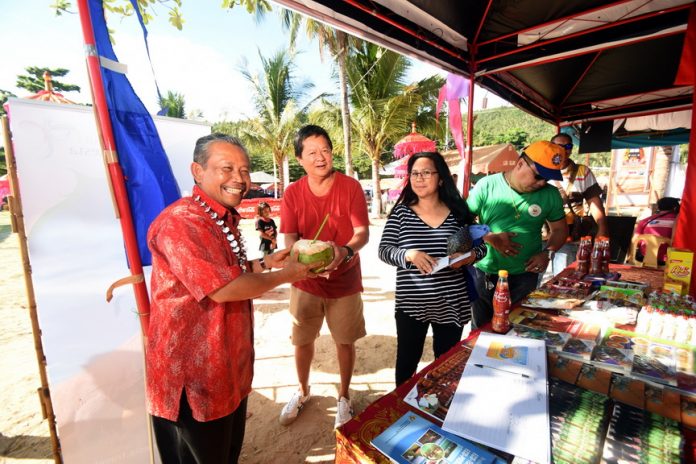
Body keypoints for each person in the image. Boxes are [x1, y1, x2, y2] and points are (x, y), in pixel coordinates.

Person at [146, 133, 319, 464]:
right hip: (193, 380)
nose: (239, 179)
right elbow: (222, 288)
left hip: (226, 371)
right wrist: (287, 275)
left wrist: (266, 263)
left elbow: (226, 270)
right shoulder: (182, 221)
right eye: (227, 168)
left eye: (244, 169)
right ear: (197, 171)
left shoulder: (221, 216)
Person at [279, 125, 370, 429]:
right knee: (302, 341)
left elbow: (362, 233)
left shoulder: (350, 187)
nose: (321, 158)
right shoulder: (292, 192)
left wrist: (343, 251)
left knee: (344, 341)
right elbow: (290, 238)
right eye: (312, 153)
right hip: (304, 282)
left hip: (344, 281)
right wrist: (302, 259)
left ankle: (343, 396)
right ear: (299, 159)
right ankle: (303, 390)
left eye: (326, 151)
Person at [378, 151, 487, 386]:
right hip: (411, 304)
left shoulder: (458, 213)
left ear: (440, 178)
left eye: (426, 172)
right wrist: (409, 254)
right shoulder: (401, 213)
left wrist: (467, 258)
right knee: (407, 363)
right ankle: (401, 412)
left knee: (446, 364)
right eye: (415, 173)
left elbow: (481, 249)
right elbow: (384, 250)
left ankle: (440, 408)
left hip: (451, 302)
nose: (419, 178)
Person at [467, 141, 568, 328]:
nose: (541, 183)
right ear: (520, 163)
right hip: (485, 273)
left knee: (518, 327)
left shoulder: (551, 194)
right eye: (538, 176)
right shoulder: (486, 186)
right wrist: (489, 237)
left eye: (547, 179)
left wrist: (548, 253)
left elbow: (560, 229)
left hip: (525, 275)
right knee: (481, 329)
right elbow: (463, 221)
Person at [548, 132, 609, 274]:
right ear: (550, 147)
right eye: (558, 146)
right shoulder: (540, 170)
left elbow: (594, 201)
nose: (563, 149)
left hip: (568, 236)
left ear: (571, 149)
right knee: (535, 278)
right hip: (540, 233)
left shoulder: (582, 172)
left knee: (563, 276)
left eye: (567, 146)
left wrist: (602, 228)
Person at [634, 196, 680, 265]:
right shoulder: (679, 222)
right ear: (675, 208)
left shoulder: (644, 221)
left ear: (659, 208)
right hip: (669, 261)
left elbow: (636, 242)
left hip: (644, 258)